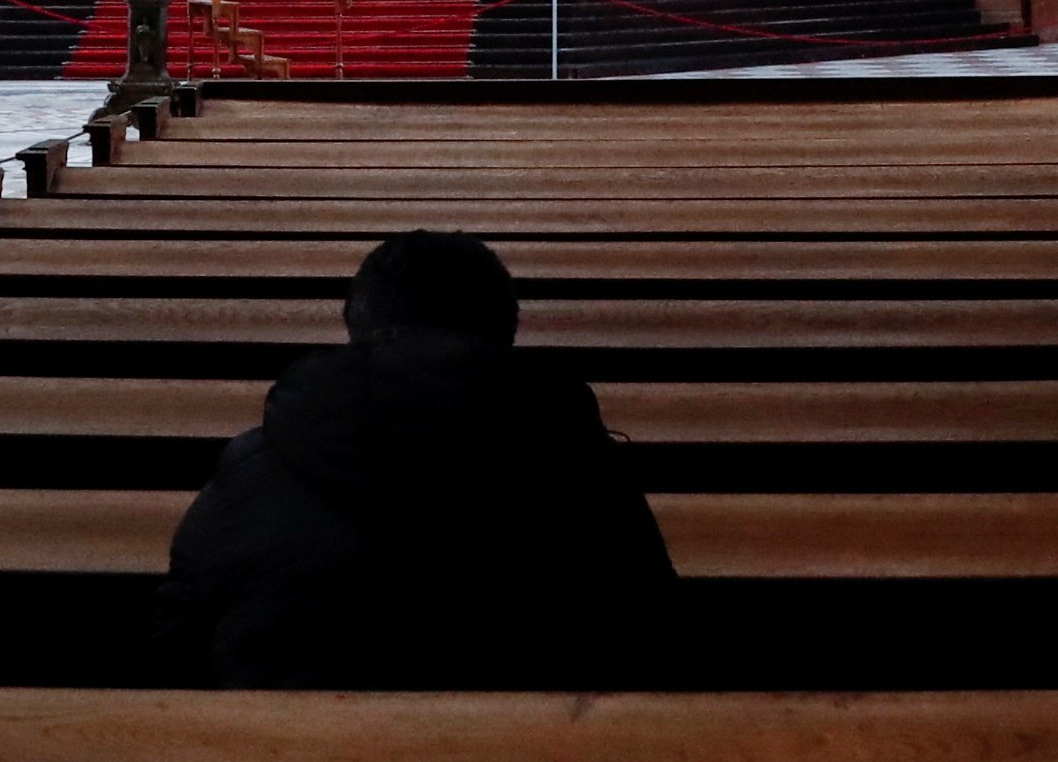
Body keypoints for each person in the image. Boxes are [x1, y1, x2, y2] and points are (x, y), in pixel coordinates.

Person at [152, 229, 672, 686]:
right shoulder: (583, 469)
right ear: (505, 336)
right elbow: (657, 637)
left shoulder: (253, 470)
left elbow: (177, 647)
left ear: (355, 328)